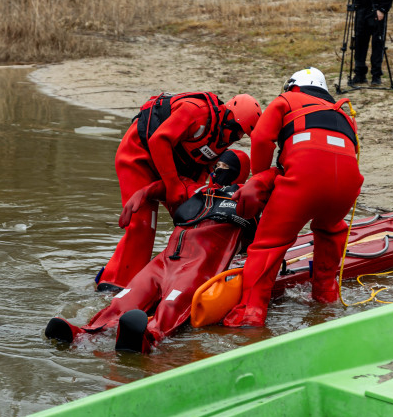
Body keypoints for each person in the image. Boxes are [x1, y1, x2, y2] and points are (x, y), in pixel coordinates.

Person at [45, 150, 276, 351]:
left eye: (226, 167)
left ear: (239, 172)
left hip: (198, 267)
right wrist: (142, 194)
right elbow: (167, 185)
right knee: (123, 300)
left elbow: (276, 192)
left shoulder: (248, 198)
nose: (218, 170)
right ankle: (84, 333)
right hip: (163, 262)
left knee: (170, 307)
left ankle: (149, 337)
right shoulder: (195, 190)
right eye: (217, 166)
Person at [222, 67, 363, 327]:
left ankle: (249, 317)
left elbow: (262, 139)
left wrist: (261, 178)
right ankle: (325, 302)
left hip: (303, 181)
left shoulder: (285, 101)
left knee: (268, 245)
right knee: (331, 231)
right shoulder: (344, 114)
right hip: (347, 187)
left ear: (292, 86)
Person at [96, 91, 262, 291]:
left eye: (242, 134)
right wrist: (171, 185)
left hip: (172, 167)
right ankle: (114, 284)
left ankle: (175, 278)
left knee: (191, 223)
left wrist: (193, 200)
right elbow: (159, 140)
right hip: (139, 156)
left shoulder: (221, 138)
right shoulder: (196, 111)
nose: (237, 137)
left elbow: (201, 167)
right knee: (143, 225)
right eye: (238, 131)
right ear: (229, 118)